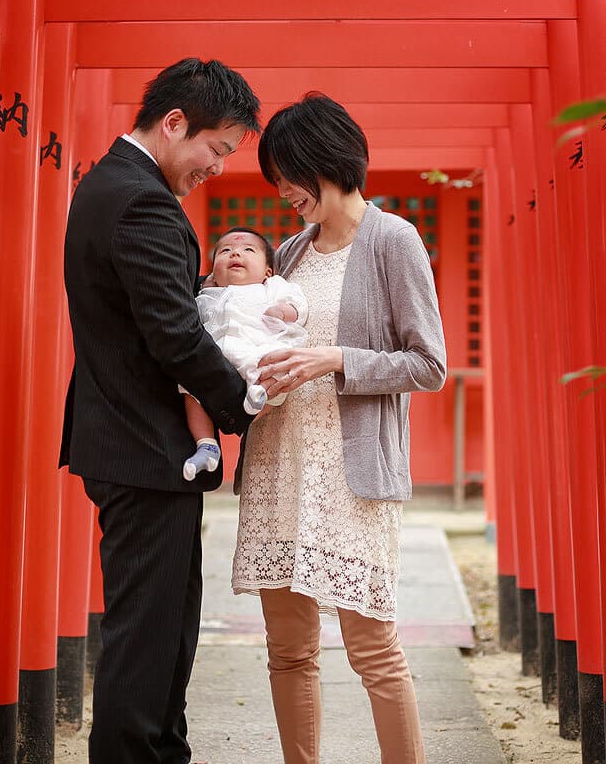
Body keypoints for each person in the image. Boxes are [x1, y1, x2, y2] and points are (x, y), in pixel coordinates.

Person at [231, 93, 447, 764]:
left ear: (329, 161)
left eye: (289, 175)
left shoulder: (393, 240)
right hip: (278, 465)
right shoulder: (291, 252)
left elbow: (430, 363)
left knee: (374, 651)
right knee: (288, 654)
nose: (283, 192)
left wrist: (337, 360)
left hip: (348, 480)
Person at [60, 57, 261, 764]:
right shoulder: (139, 199)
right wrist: (246, 407)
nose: (216, 167)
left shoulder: (112, 185)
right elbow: (173, 332)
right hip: (142, 448)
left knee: (166, 629)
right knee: (146, 638)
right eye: (216, 149)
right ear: (175, 122)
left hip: (139, 446)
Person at [181, 226, 308, 481]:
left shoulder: (270, 287)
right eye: (225, 251)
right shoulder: (207, 295)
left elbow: (299, 304)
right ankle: (206, 445)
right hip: (215, 360)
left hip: (256, 351)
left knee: (276, 375)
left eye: (247, 250)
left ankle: (253, 404)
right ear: (213, 271)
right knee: (188, 389)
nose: (235, 254)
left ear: (267, 271)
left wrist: (284, 311)